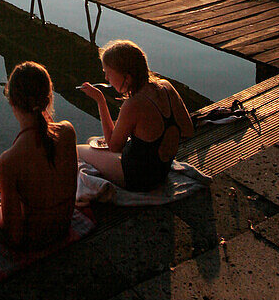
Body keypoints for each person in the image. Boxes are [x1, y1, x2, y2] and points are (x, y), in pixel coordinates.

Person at [76, 39, 194, 192]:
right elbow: (188, 130)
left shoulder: (133, 104)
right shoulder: (166, 86)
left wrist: (100, 101)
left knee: (78, 151)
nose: (106, 79)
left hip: (138, 179)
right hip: (161, 171)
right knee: (93, 142)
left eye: (108, 74)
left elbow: (114, 147)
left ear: (127, 77)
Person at [0, 62, 77, 249]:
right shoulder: (67, 132)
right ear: (48, 98)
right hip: (63, 227)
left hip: (34, 241)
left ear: (11, 101)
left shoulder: (10, 161)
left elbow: (12, 235)